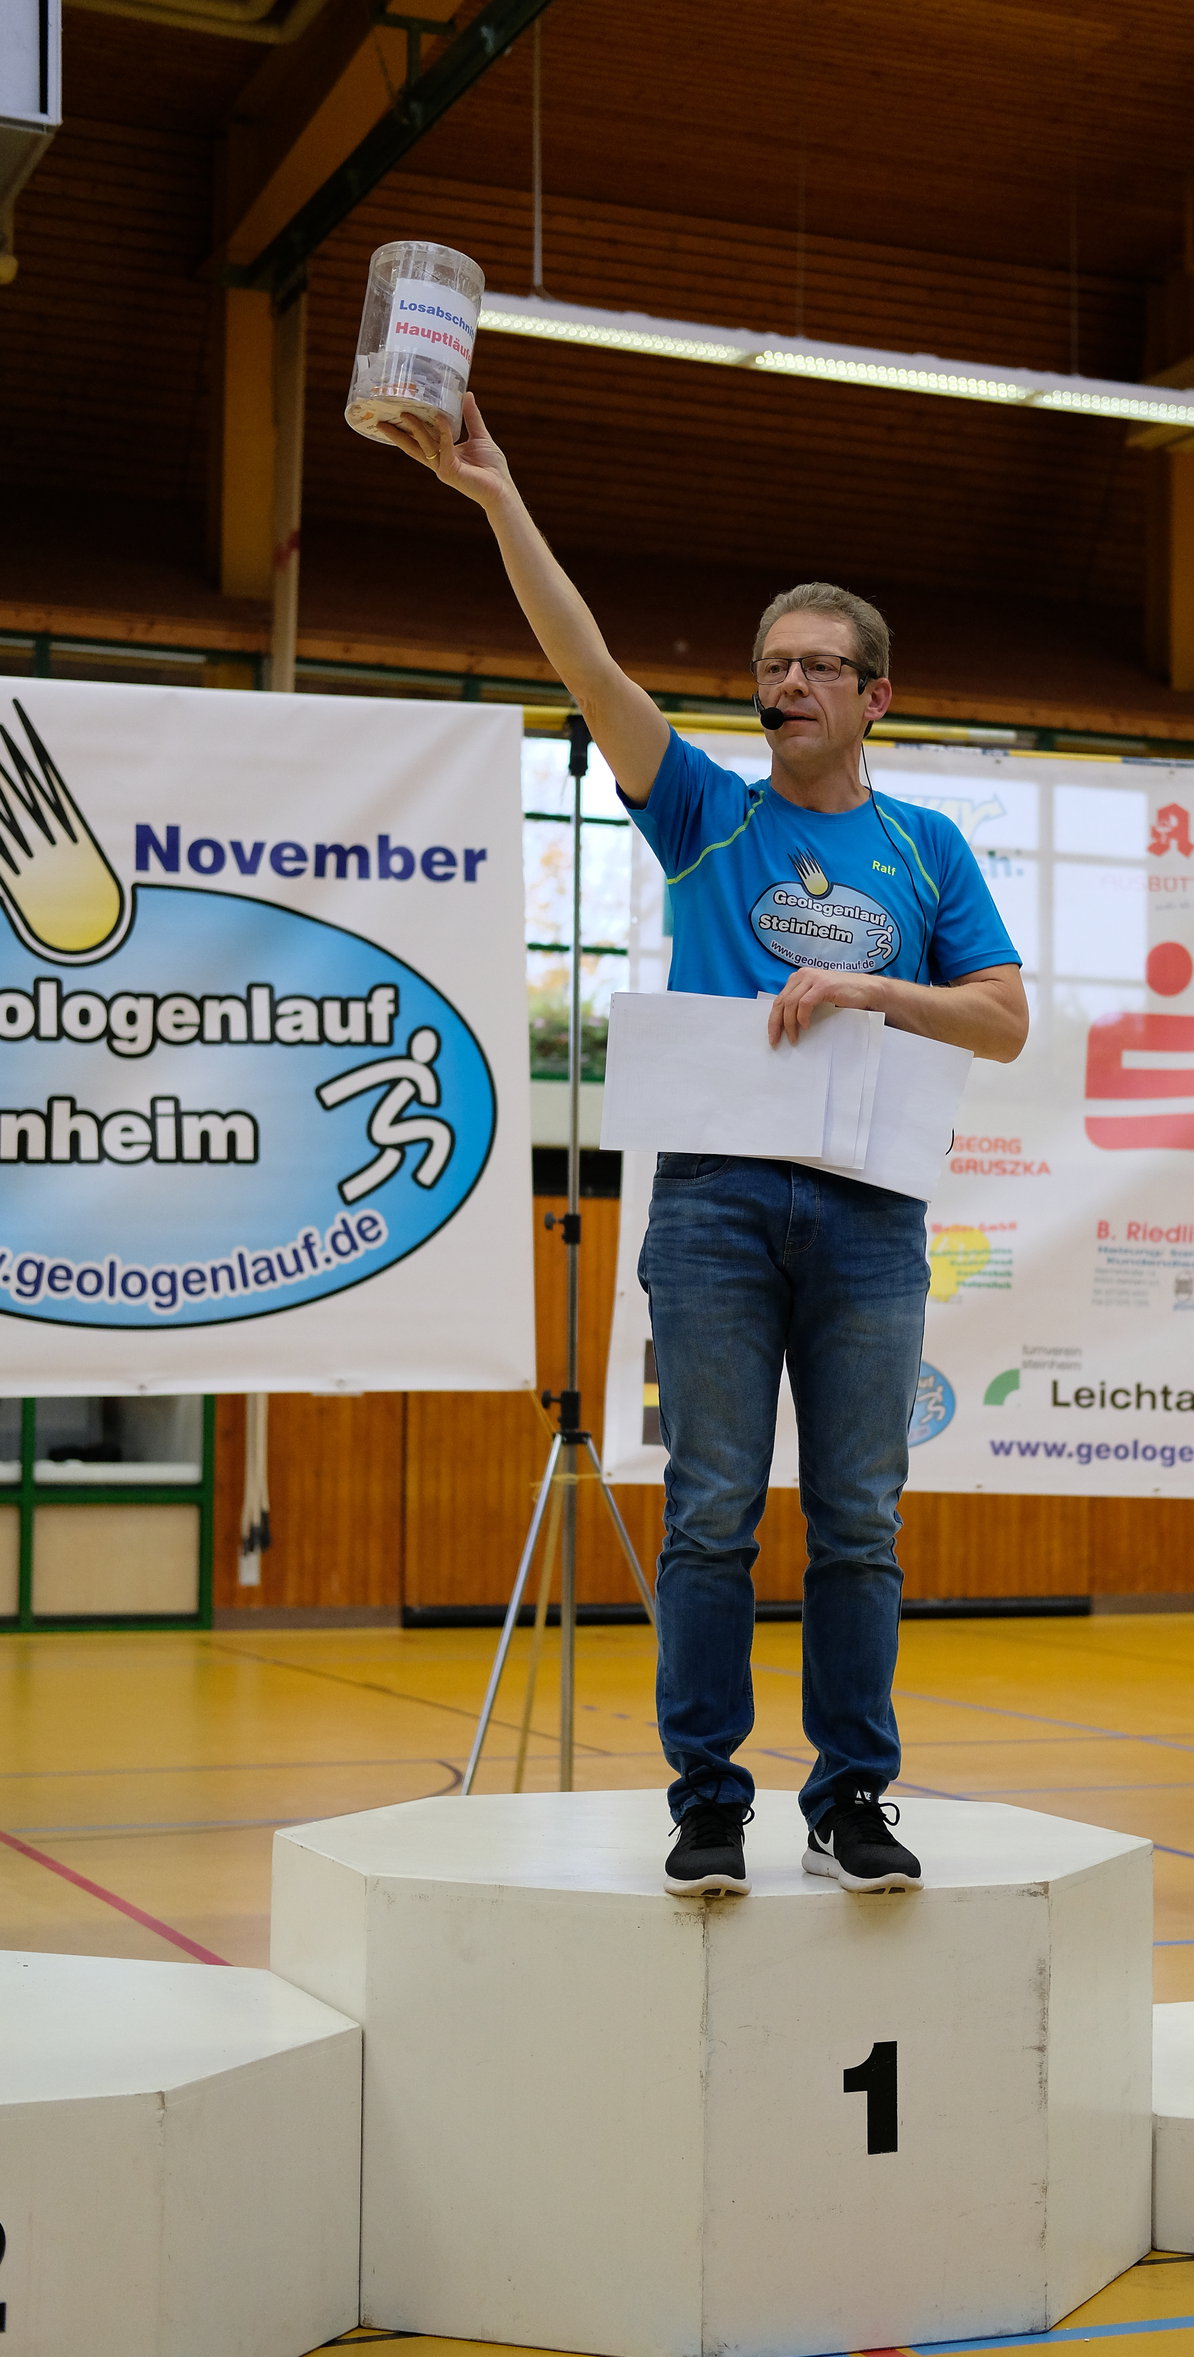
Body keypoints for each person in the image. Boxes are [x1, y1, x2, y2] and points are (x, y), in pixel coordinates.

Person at [385, 394, 1028, 1895]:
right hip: (714, 1212)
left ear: (876, 696)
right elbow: (584, 664)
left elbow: (1002, 1021)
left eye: (817, 666)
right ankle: (708, 1801)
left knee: (858, 1520)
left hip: (867, 1217)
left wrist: (871, 989)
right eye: (771, 665)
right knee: (714, 1507)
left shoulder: (926, 848)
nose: (786, 683)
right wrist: (495, 493)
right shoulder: (703, 813)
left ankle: (850, 1798)